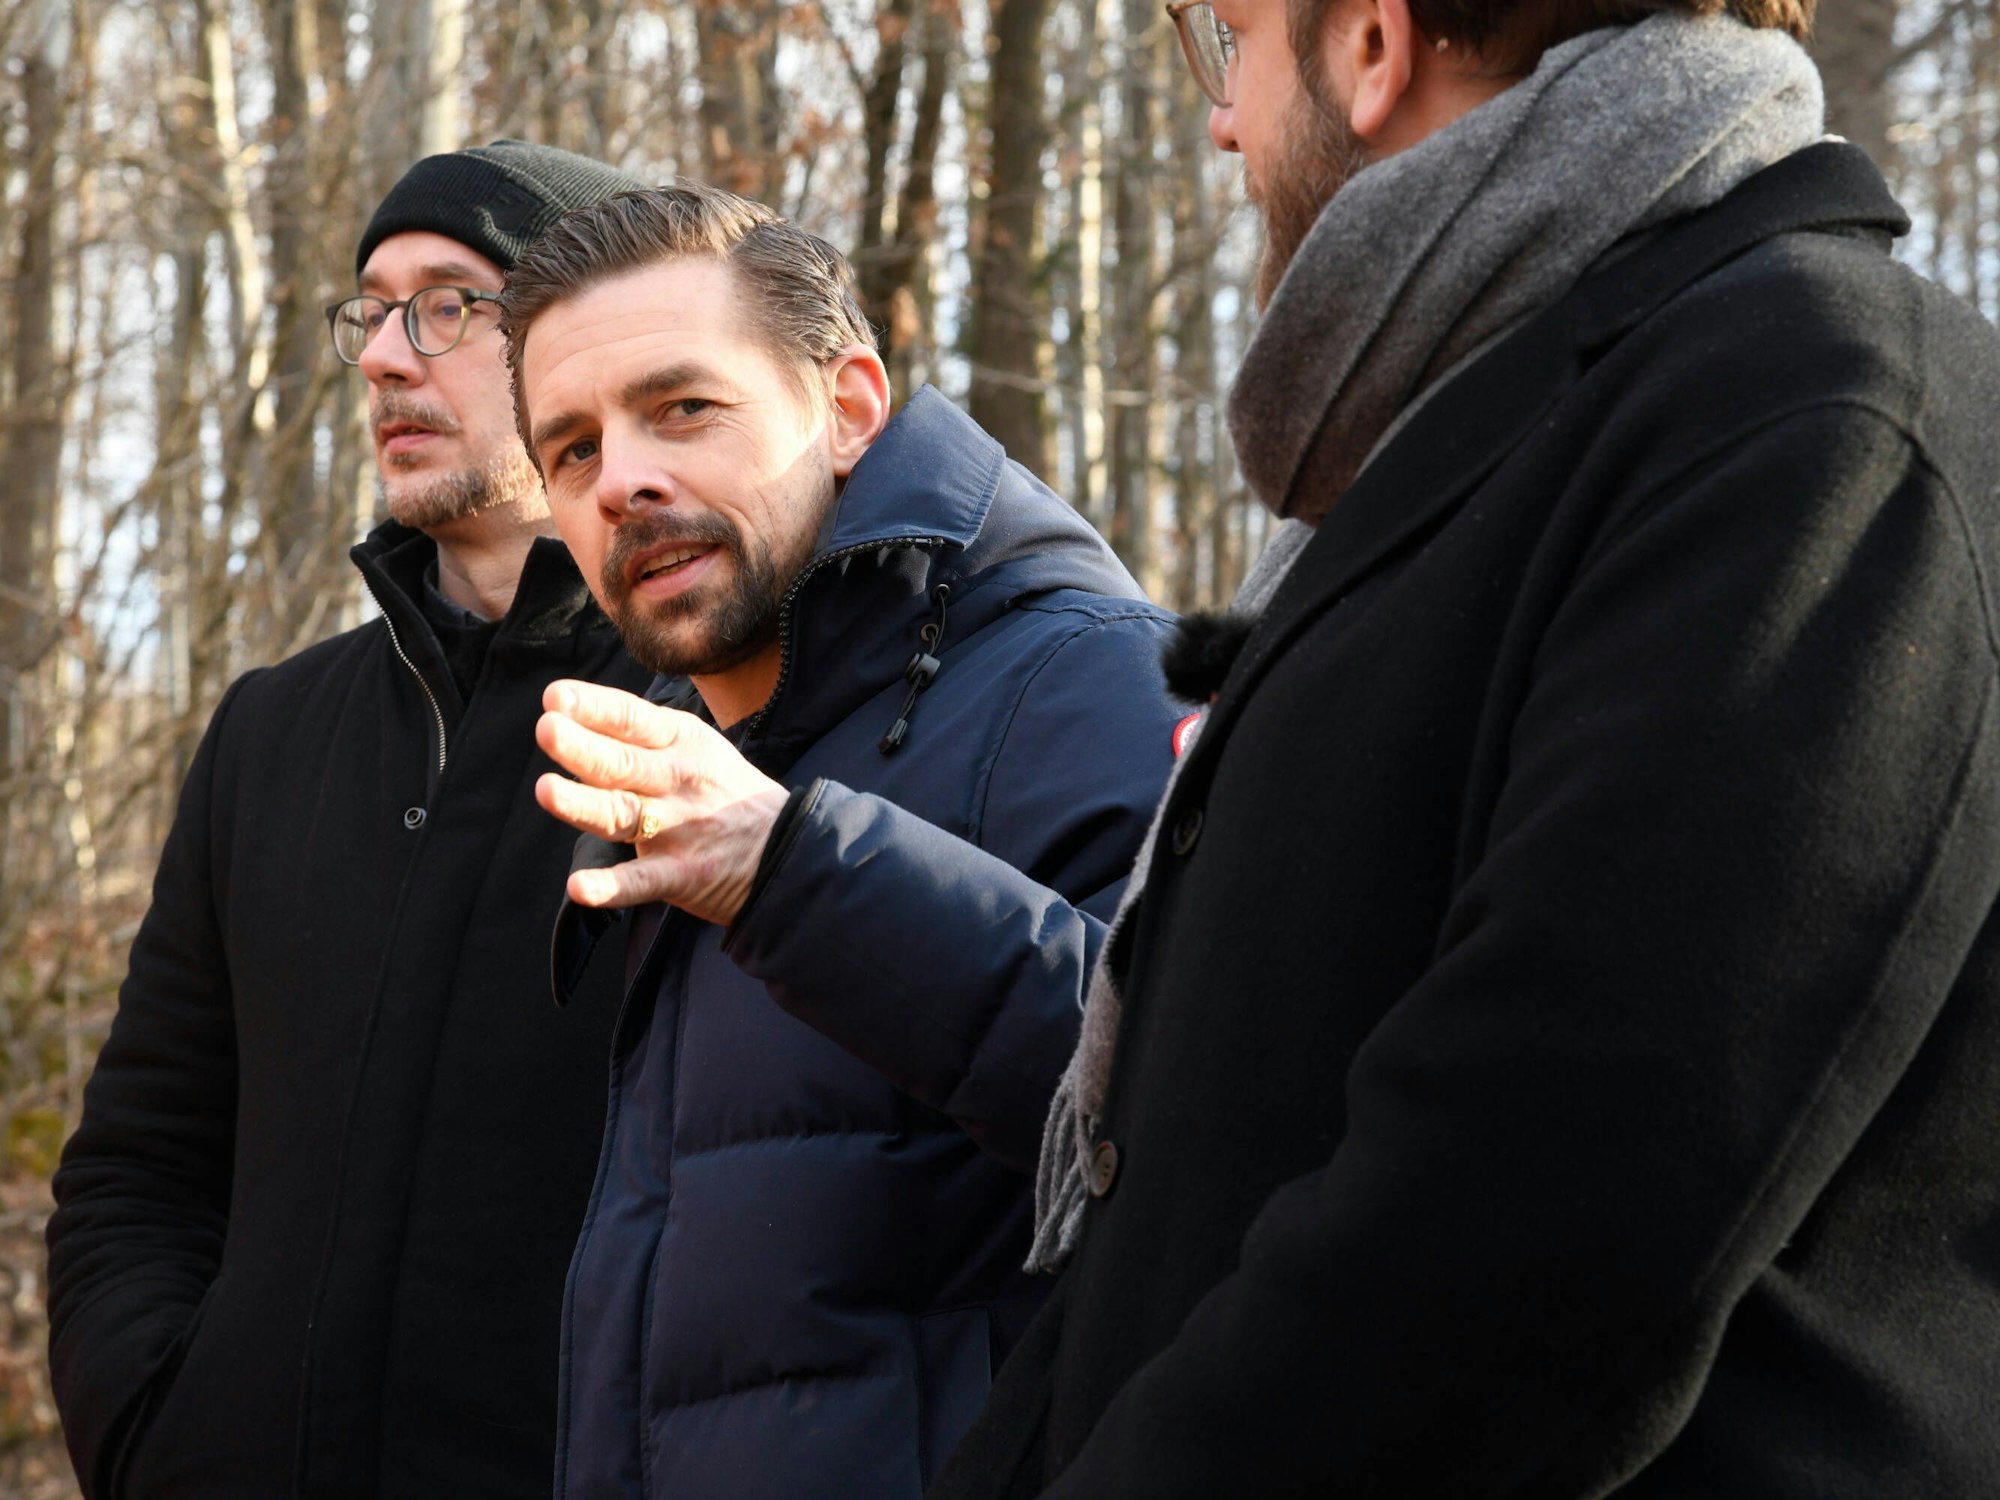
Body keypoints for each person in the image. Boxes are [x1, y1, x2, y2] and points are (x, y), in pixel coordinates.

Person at [930, 0, 2000, 1495]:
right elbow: (1198, 1174)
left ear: (1373, 42)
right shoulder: (1476, 441)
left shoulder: (1813, 406)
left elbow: (1527, 1234)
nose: (1223, 118)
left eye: (1228, 39)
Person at [496, 182, 1183, 1498]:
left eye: (682, 407)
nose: (622, 477)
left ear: (852, 407)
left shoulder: (1094, 679)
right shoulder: (661, 765)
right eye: (570, 450)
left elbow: (1212, 1107)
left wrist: (797, 873)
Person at [45, 142, 652, 1500]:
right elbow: (137, 1173)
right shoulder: (271, 736)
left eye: (448, 304)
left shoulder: (709, 725)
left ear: (586, 346)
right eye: (372, 309)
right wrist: (156, 1430)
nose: (386, 356)